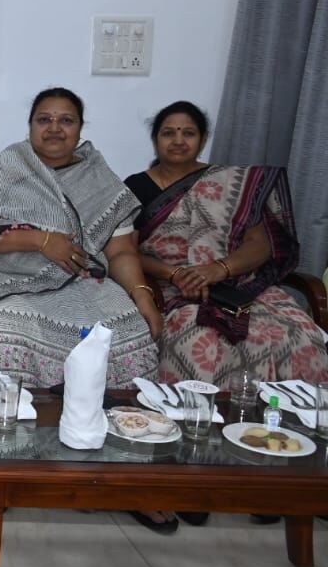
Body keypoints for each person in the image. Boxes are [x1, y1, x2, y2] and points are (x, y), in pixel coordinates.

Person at [0, 87, 161, 390]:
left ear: (80, 127)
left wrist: (142, 295)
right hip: (8, 286)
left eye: (66, 120)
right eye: (44, 119)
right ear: (31, 125)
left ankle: (108, 420)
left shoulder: (99, 177)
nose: (55, 128)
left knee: (133, 335)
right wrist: (42, 241)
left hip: (86, 287)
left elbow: (121, 252)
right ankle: (10, 418)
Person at [124, 101, 328, 385]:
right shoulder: (135, 187)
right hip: (171, 286)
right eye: (169, 133)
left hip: (238, 282)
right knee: (199, 338)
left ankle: (283, 411)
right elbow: (125, 251)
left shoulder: (234, 182)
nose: (178, 141)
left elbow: (260, 244)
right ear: (155, 139)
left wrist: (220, 268)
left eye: (188, 133)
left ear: (203, 139)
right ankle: (199, 409)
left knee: (298, 331)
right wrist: (175, 273)